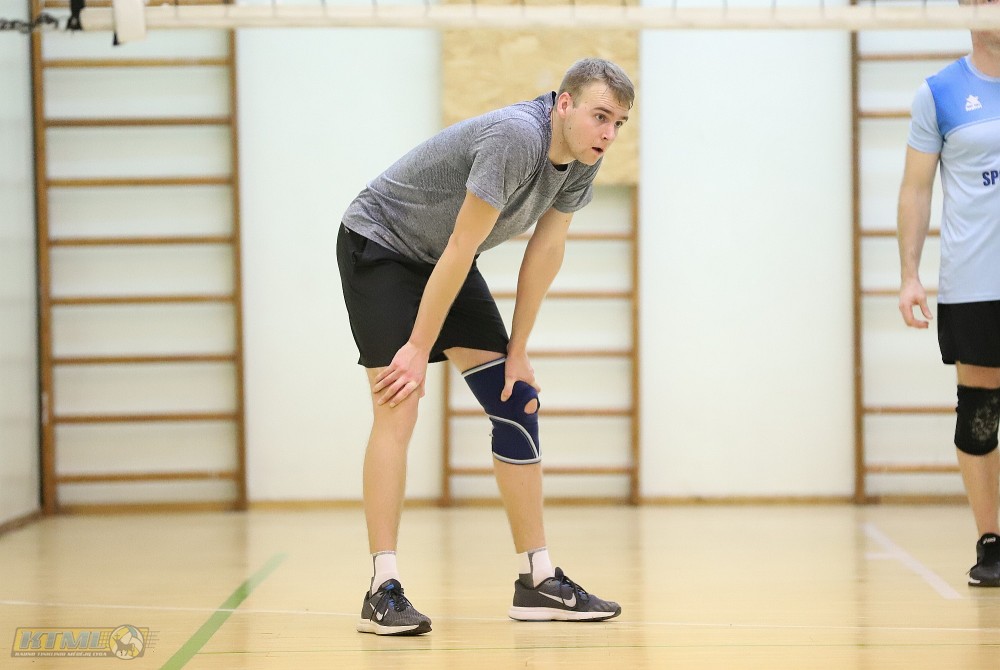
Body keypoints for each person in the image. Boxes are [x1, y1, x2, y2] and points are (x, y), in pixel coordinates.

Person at [337, 58, 634, 635]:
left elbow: (546, 250)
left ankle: (537, 580)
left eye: (619, 123)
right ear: (564, 104)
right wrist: (417, 347)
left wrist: (518, 351)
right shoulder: (517, 138)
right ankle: (382, 588)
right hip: (381, 244)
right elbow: (460, 244)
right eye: (601, 116)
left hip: (444, 256)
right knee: (399, 401)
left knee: (515, 398)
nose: (609, 133)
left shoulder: (582, 158)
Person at [896, 0, 1000, 587]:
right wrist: (910, 274)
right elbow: (916, 189)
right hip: (975, 282)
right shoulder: (939, 93)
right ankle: (992, 543)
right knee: (979, 416)